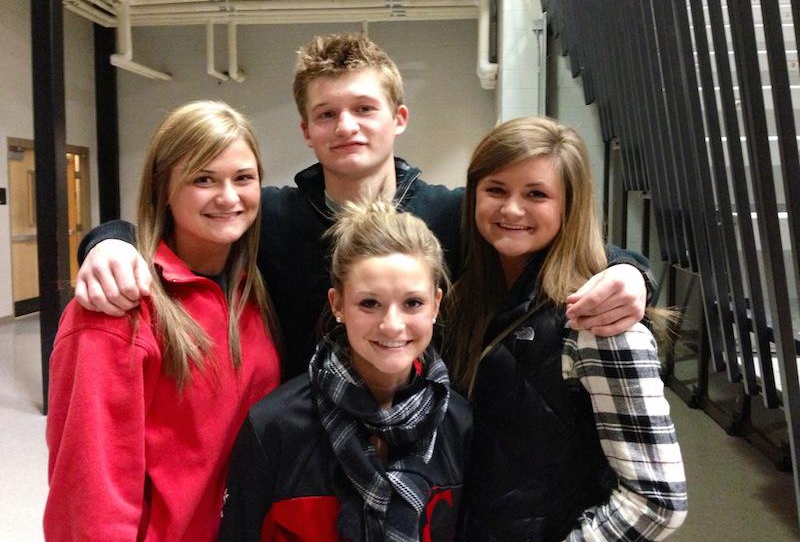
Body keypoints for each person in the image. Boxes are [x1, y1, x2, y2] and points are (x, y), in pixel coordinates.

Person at [73, 32, 651, 380]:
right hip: (302, 439)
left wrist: (630, 270)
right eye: (326, 113)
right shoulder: (270, 218)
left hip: (428, 440)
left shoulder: (449, 213)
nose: (345, 126)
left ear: (398, 118)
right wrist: (109, 240)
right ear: (305, 129)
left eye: (364, 109)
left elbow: (549, 240)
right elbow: (176, 231)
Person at [44, 101, 282, 541]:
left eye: (243, 178)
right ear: (163, 188)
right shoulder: (118, 306)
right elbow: (90, 489)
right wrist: (107, 240)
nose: (228, 197)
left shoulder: (251, 290)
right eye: (203, 178)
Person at [446, 117, 687, 541]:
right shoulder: (464, 297)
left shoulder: (602, 321)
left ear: (569, 206)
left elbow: (657, 502)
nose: (512, 209)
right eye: (496, 190)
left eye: (536, 194)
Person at [217, 199, 471, 541]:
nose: (392, 325)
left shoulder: (459, 422)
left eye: (413, 303)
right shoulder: (275, 426)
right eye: (369, 303)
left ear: (436, 305)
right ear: (338, 304)